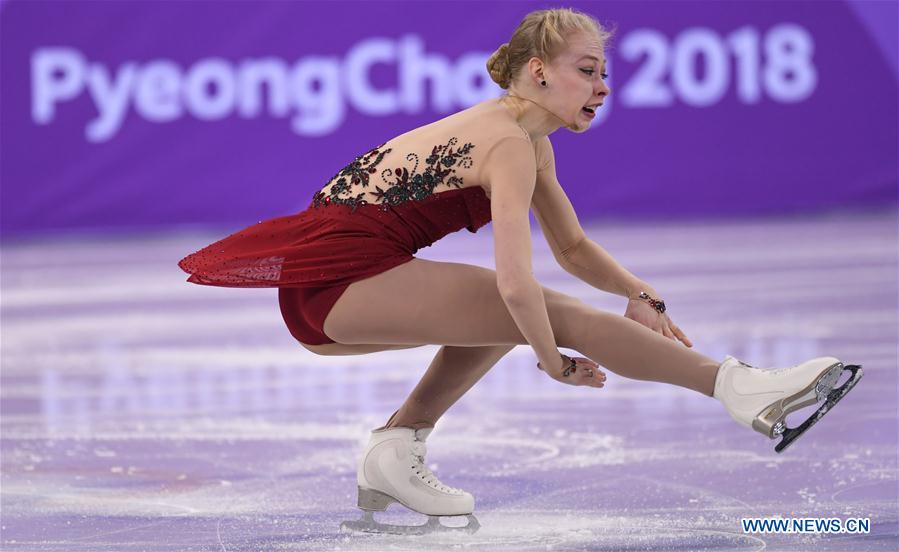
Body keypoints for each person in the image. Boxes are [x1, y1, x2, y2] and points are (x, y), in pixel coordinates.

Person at [178, 7, 862, 535]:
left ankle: (396, 448)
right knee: (535, 312)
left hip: (332, 285)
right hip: (334, 282)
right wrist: (553, 359)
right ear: (537, 71)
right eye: (587, 70)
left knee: (504, 314)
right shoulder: (505, 143)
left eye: (602, 72)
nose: (602, 86)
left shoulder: (525, 140)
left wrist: (641, 294)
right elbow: (517, 284)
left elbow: (571, 247)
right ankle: (739, 389)